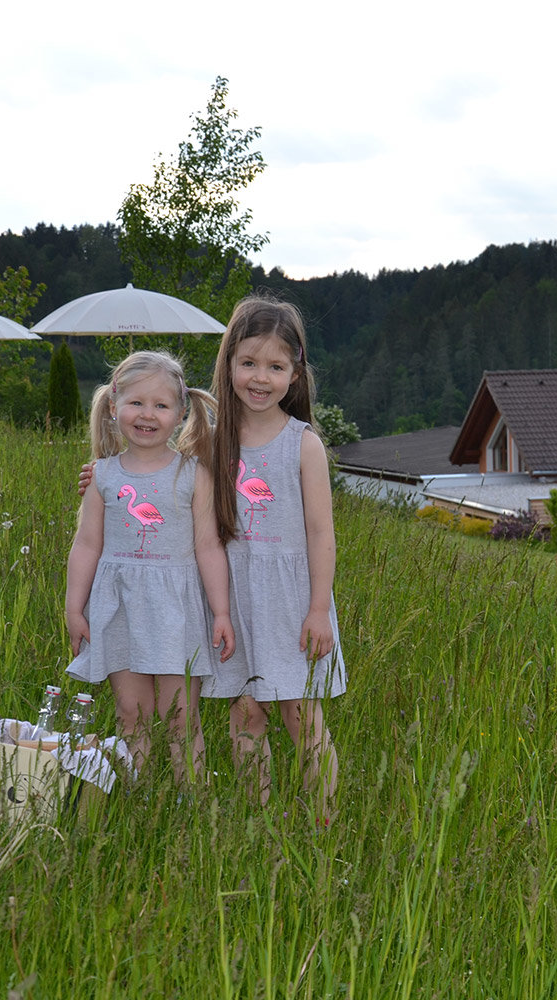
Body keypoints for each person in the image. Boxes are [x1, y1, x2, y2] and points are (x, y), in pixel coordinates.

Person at [65, 350, 235, 786]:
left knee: (180, 717)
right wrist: (74, 609)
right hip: (119, 608)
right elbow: (86, 545)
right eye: (136, 403)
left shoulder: (192, 474)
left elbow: (208, 546)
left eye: (161, 405)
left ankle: (191, 804)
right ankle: (135, 801)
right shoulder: (101, 475)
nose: (147, 415)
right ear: (113, 406)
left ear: (181, 413)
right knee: (130, 714)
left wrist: (220, 612)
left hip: (176, 612)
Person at [203, 295, 344, 815]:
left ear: (295, 373)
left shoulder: (303, 445)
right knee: (245, 713)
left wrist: (318, 610)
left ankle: (324, 823)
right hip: (234, 598)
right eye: (248, 363)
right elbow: (162, 484)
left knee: (300, 715)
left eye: (275, 366)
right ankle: (254, 826)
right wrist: (100, 477)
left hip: (291, 601)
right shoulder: (212, 442)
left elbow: (320, 535)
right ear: (229, 364)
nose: (260, 377)